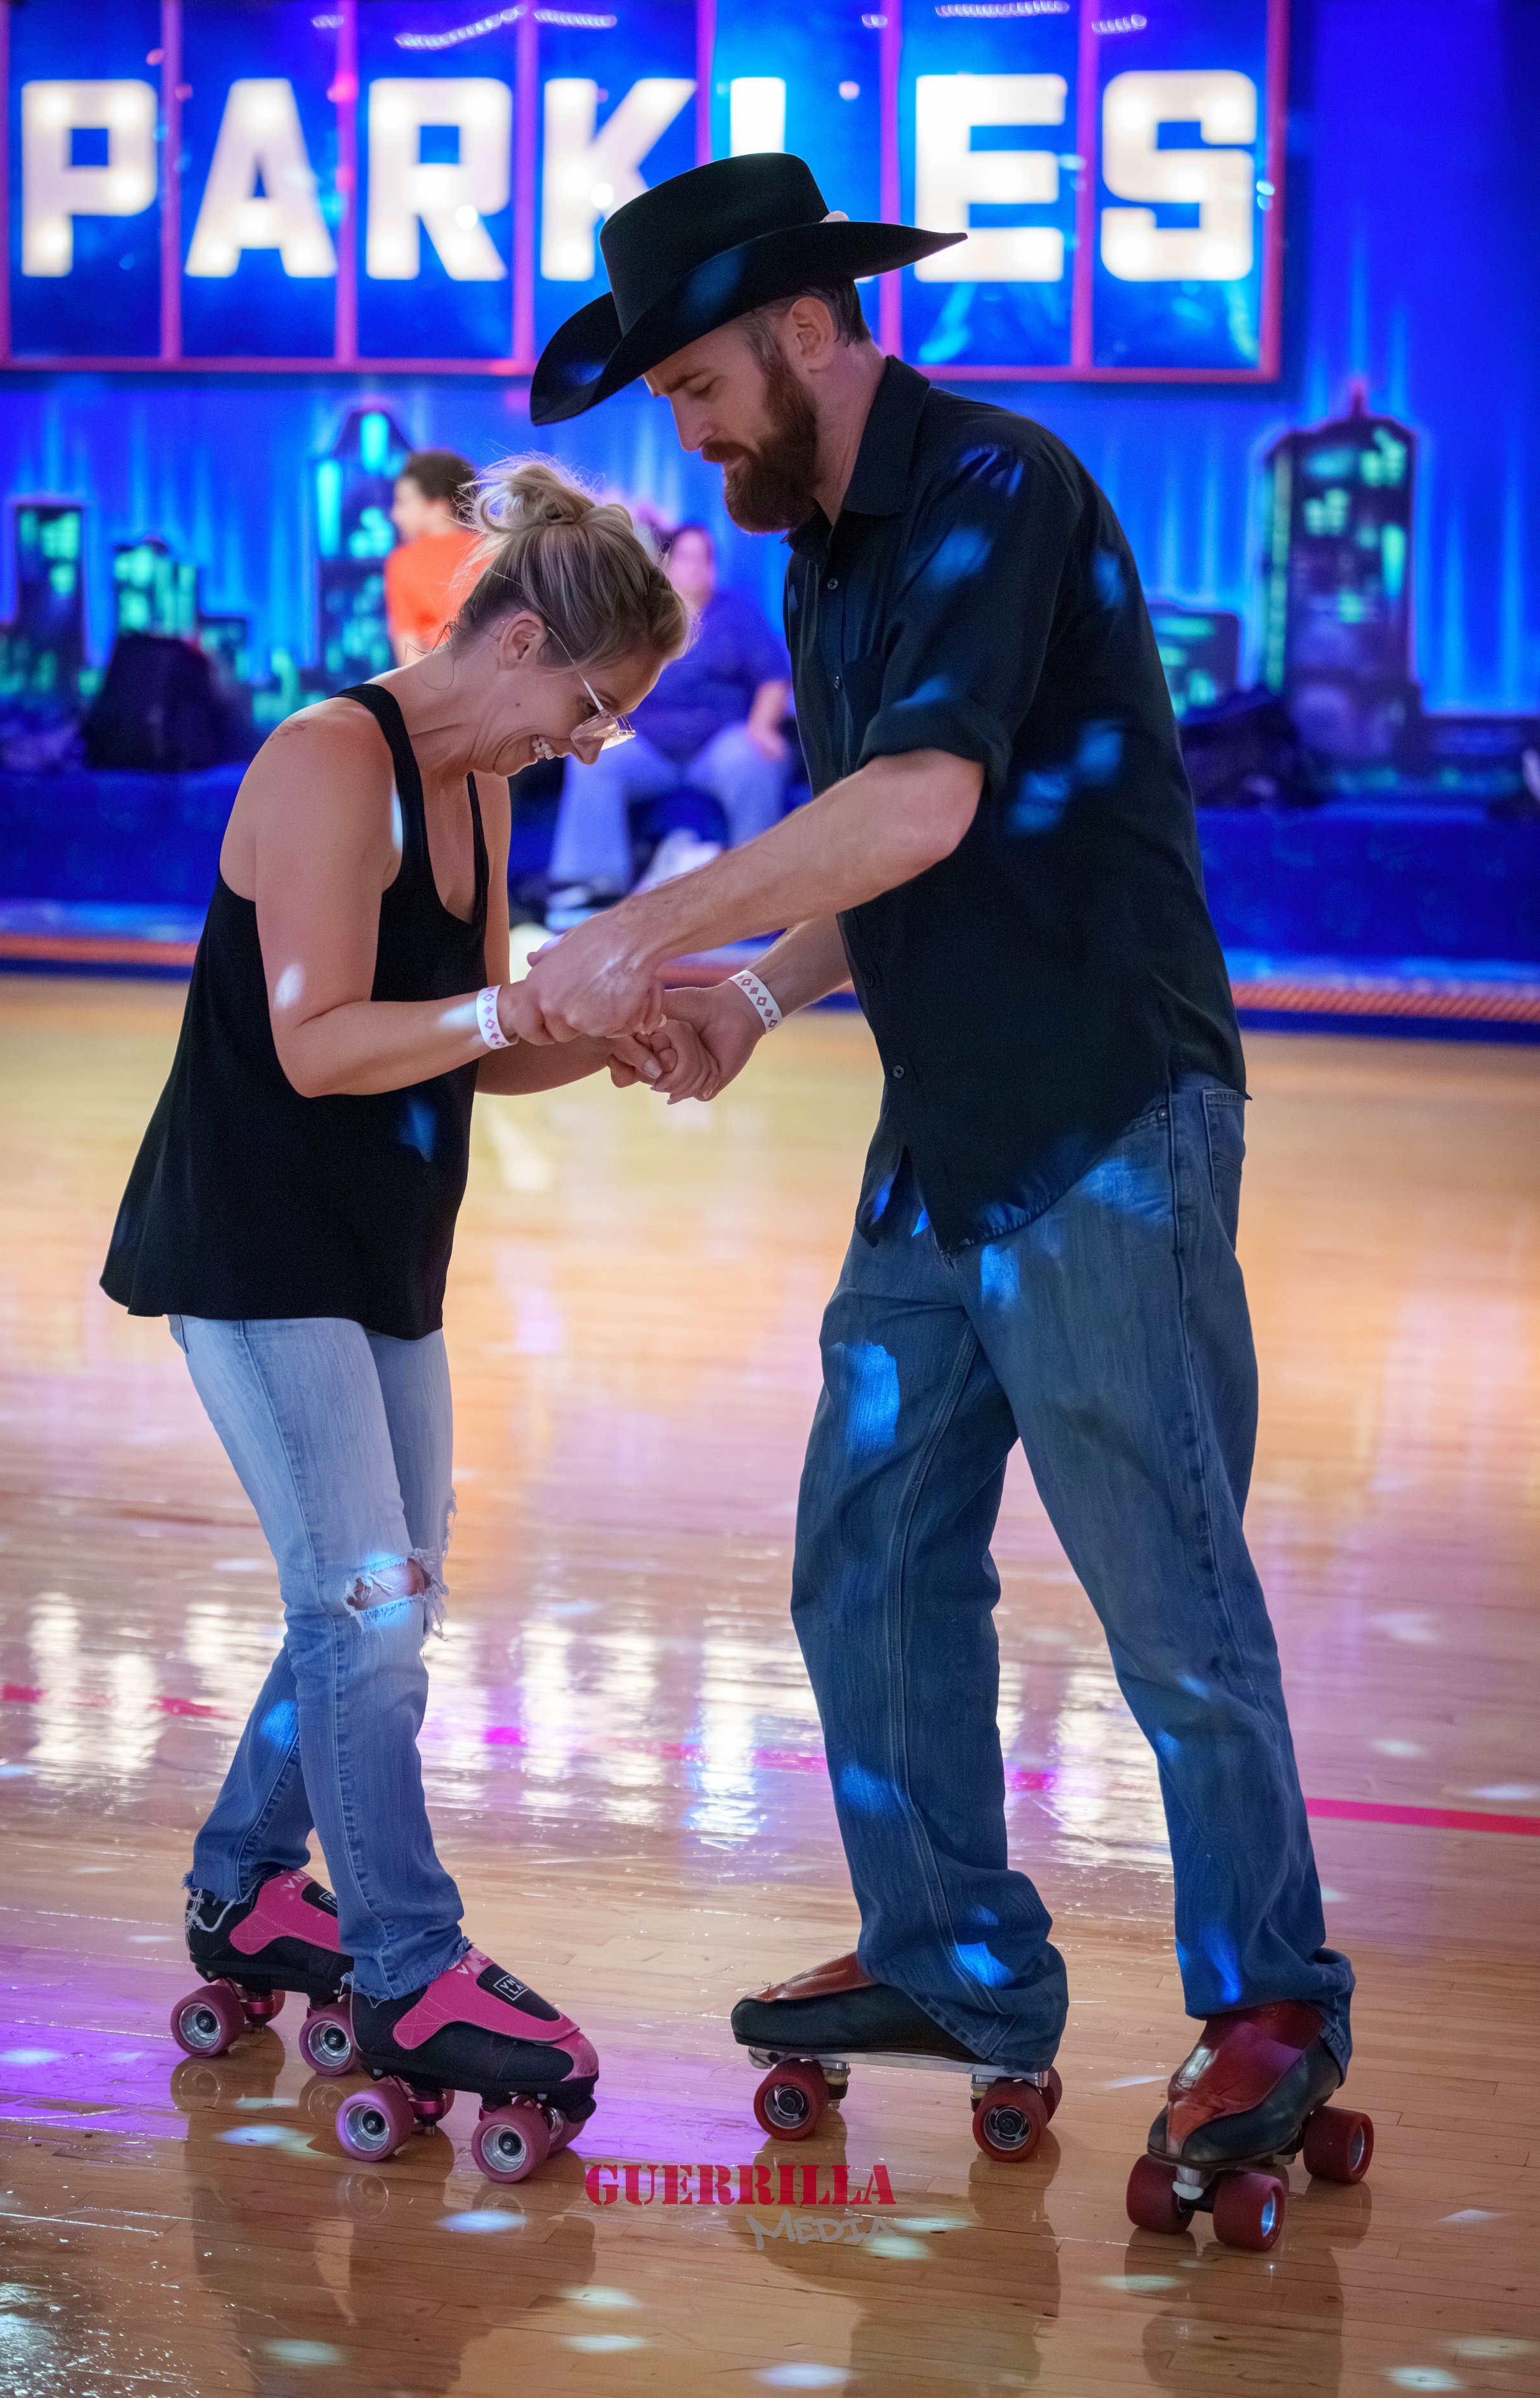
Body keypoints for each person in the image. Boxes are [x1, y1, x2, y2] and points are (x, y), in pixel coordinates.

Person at [517, 155, 1357, 2185]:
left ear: (805, 328)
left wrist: (645, 927)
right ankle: (951, 1954)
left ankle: (1266, 2001)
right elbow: (883, 852)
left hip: (1102, 1114)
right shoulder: (825, 548)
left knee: (1161, 1580)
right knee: (871, 1552)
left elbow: (917, 801)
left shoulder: (993, 487)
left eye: (695, 384)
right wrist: (757, 994)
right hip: (942, 1127)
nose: (684, 431)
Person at [102, 458, 712, 2145]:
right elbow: (318, 1044)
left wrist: (606, 1032)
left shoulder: (476, 792)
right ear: (512, 639)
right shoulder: (327, 759)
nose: (590, 743)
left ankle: (246, 1883)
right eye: (589, 706)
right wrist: (523, 1003)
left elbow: (466, 1045)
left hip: (380, 1249)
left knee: (381, 1603)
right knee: (360, 1608)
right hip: (252, 1244)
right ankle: (406, 1962)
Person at [546, 519, 792, 921]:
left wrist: (762, 727)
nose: (695, 567)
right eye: (686, 558)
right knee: (594, 759)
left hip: (719, 743)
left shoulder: (738, 615)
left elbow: (774, 678)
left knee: (755, 760)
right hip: (647, 743)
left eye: (704, 559)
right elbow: (607, 680)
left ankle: (755, 889)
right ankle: (589, 888)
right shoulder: (639, 618)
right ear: (667, 564)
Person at [385, 448, 484, 666]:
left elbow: (410, 658)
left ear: (438, 505)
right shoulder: (499, 550)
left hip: (438, 681)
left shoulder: (404, 562)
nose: (395, 515)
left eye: (403, 503)